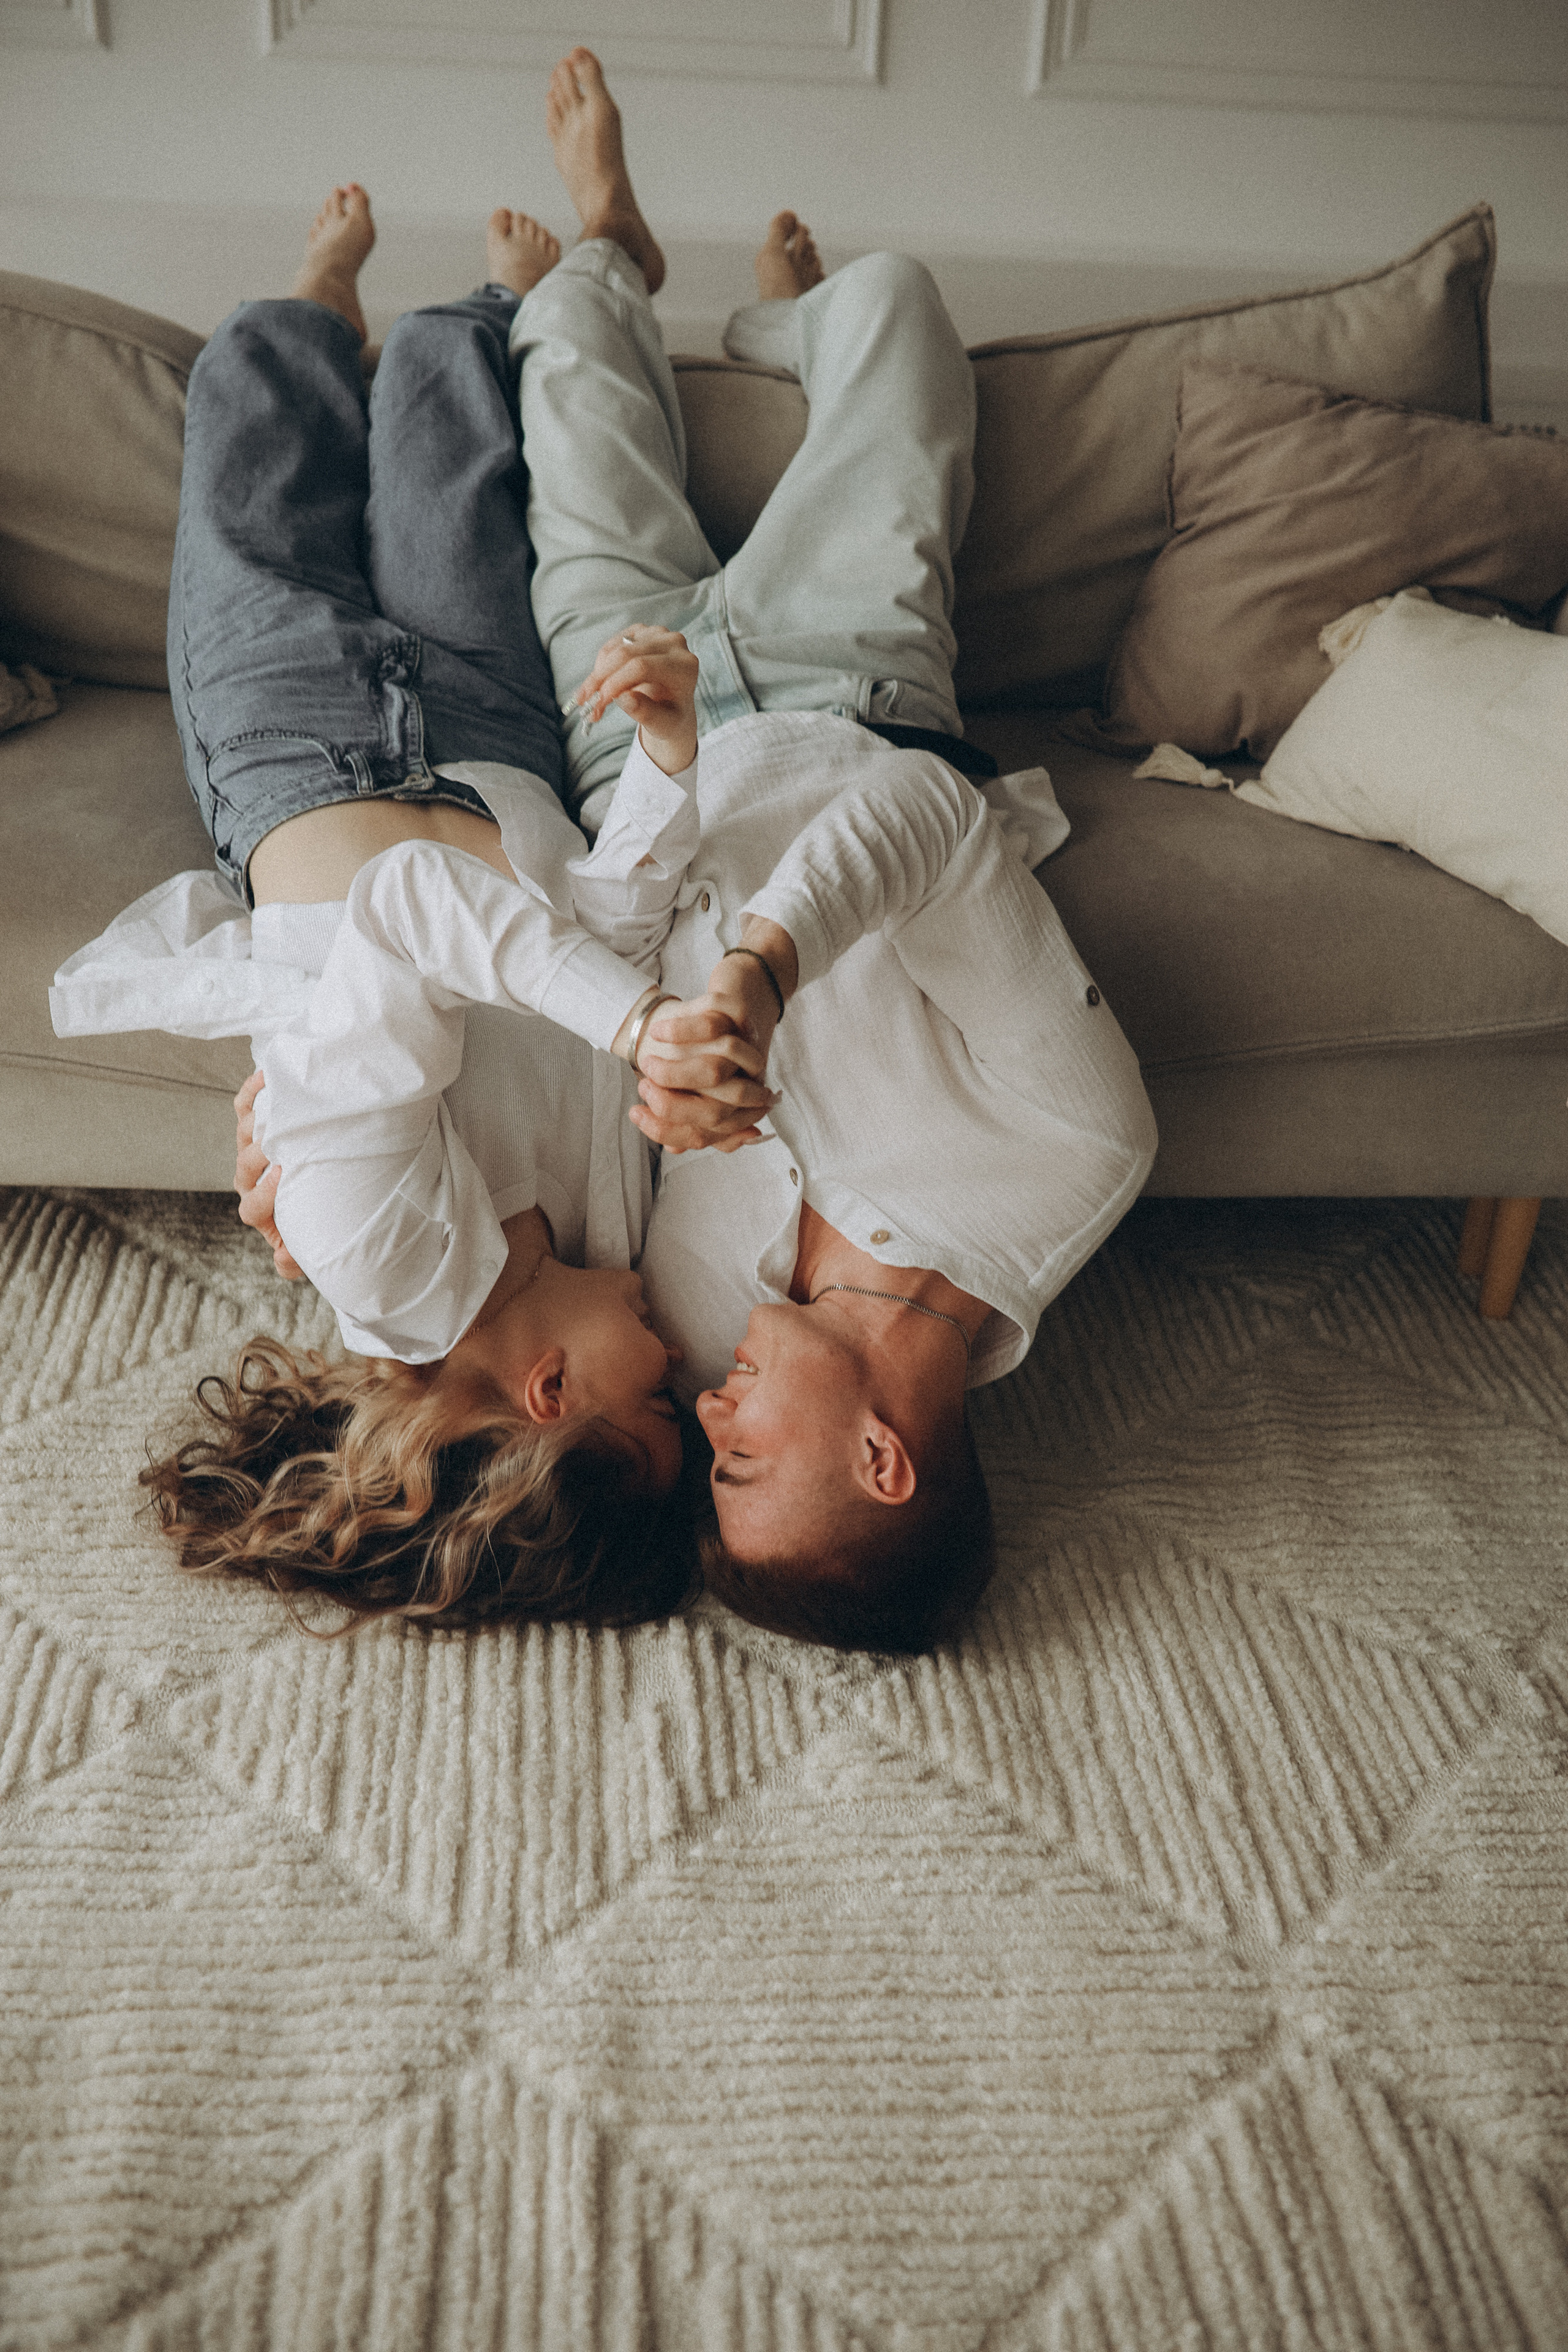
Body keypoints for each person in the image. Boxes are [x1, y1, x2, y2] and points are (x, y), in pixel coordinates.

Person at [501, 50, 1160, 1651]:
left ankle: (613, 248)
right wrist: (763, 974)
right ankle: (785, 317)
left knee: (573, 385)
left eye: (703, 1458)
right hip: (861, 687)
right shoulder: (1075, 1154)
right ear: (882, 1458)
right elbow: (930, 835)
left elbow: (567, 1120)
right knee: (908, 316)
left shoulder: (702, 1321)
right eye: (744, 1465)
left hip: (634, 738)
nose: (709, 1427)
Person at [50, 183, 771, 1632]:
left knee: (254, 490)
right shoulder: (601, 1240)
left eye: (660, 1417)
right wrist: (670, 765)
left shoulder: (383, 1259)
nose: (682, 1383)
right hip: (499, 743)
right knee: (453, 480)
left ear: (550, 1396)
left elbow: (404, 909)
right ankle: (475, 312)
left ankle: (313, 300)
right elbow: (606, 927)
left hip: (299, 747)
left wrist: (629, 1024)